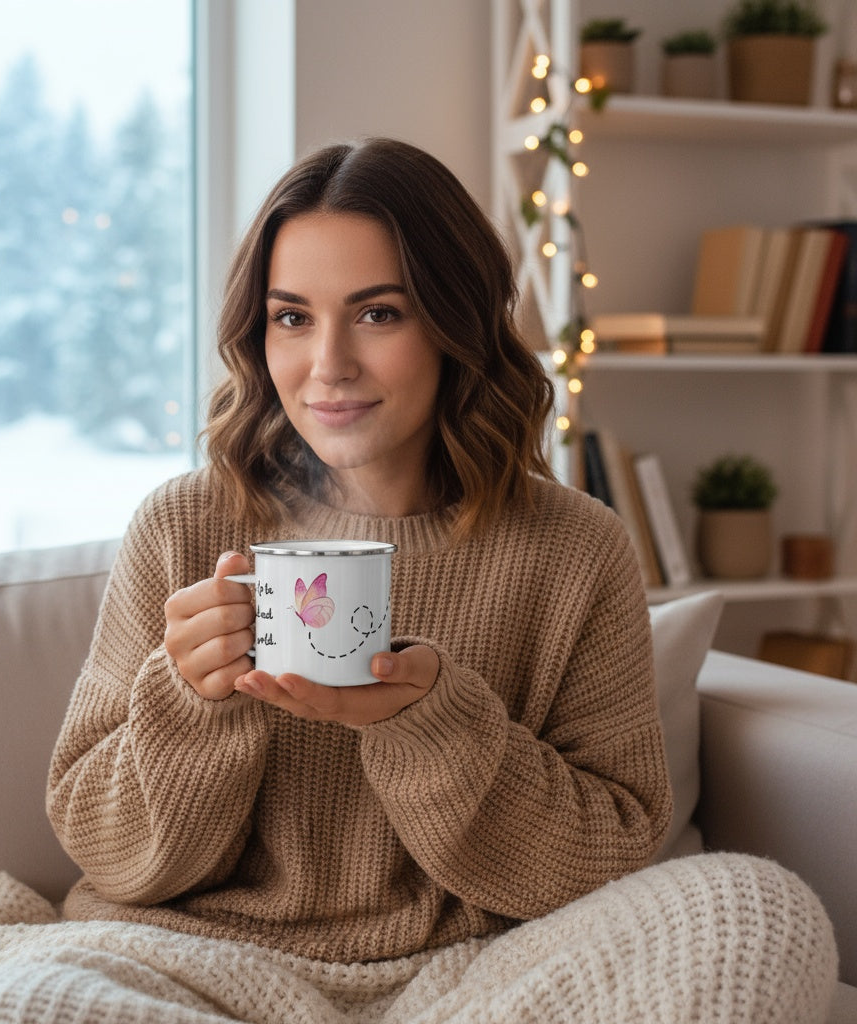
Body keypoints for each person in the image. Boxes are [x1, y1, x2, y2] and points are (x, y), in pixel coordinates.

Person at [44, 138, 837, 1022]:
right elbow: (106, 851)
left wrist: (432, 725)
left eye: (379, 314)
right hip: (185, 966)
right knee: (26, 1003)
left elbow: (609, 856)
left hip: (472, 981)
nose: (328, 364)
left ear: (455, 322)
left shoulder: (575, 549)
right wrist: (188, 702)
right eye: (292, 318)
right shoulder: (185, 525)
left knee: (757, 907)